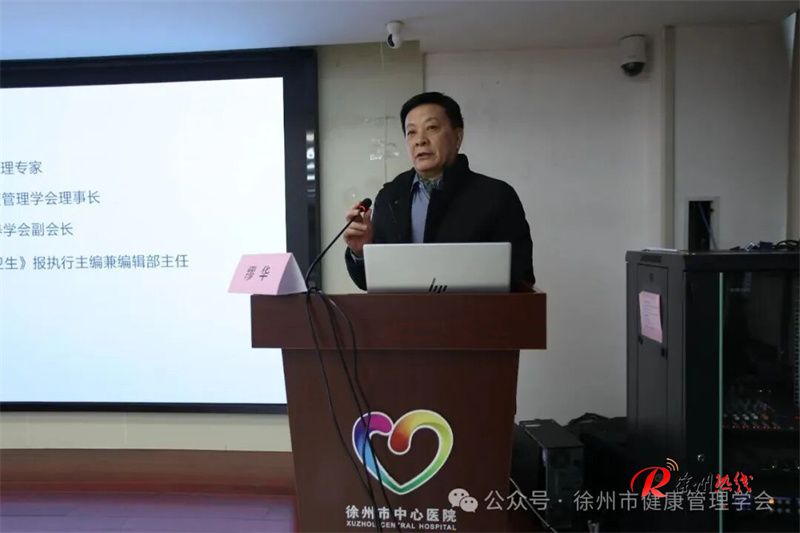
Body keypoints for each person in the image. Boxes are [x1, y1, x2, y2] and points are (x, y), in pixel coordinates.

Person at [343, 91, 535, 291]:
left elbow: (521, 279)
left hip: (472, 310)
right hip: (403, 311)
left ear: (457, 137)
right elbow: (371, 282)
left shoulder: (496, 196)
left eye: (432, 128)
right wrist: (360, 253)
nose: (420, 140)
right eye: (411, 132)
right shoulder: (389, 197)